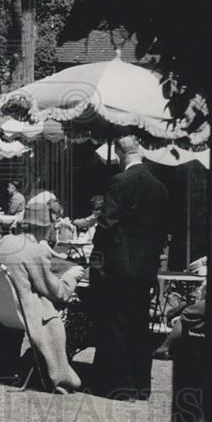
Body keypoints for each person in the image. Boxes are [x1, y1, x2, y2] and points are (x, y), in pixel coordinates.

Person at [89, 135, 169, 400]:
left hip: (118, 268)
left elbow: (106, 228)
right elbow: (162, 232)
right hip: (145, 269)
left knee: (116, 325)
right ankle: (140, 384)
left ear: (121, 154)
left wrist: (97, 262)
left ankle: (116, 385)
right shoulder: (159, 187)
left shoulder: (119, 183)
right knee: (139, 325)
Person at [0, 193, 84, 392]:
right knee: (72, 314)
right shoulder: (35, 251)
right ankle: (58, 371)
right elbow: (57, 292)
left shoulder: (7, 241)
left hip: (1, 311)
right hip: (26, 312)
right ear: (44, 226)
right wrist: (72, 276)